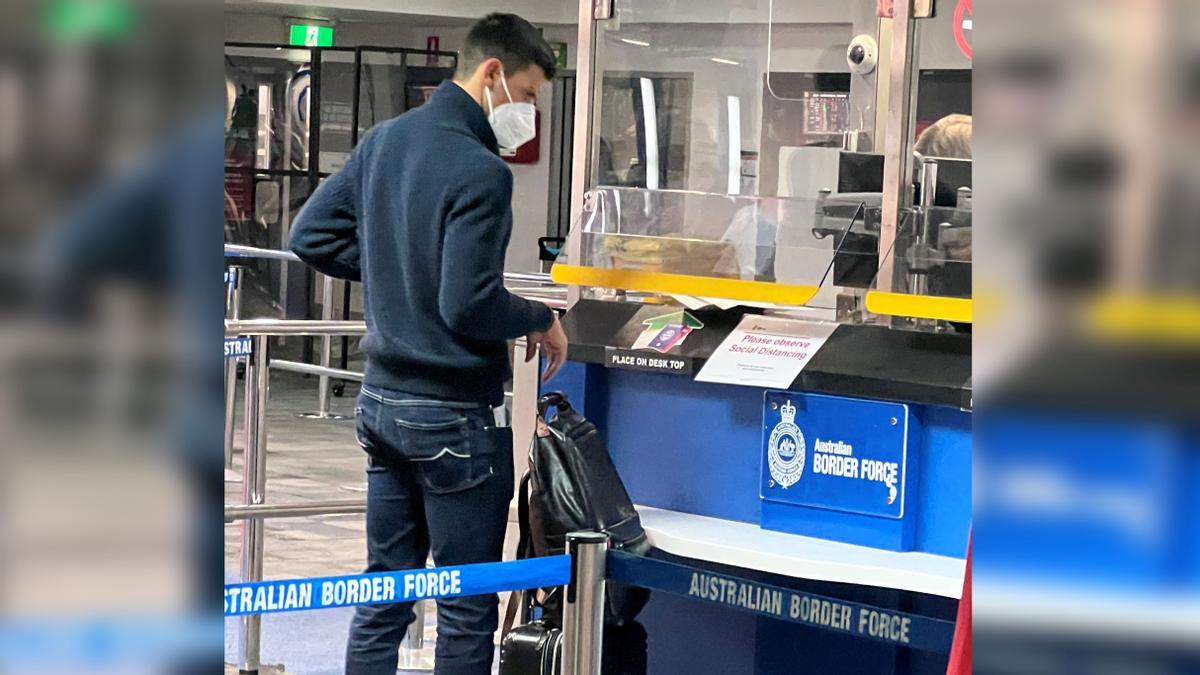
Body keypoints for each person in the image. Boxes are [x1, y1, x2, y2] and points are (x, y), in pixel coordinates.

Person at [288, 13, 568, 675]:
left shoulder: (385, 142)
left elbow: (310, 236)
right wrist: (539, 315)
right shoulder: (481, 171)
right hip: (454, 417)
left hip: (382, 404)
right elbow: (468, 303)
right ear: (492, 74)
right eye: (527, 95)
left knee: (386, 589)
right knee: (465, 602)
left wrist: (395, 267)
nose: (528, 111)